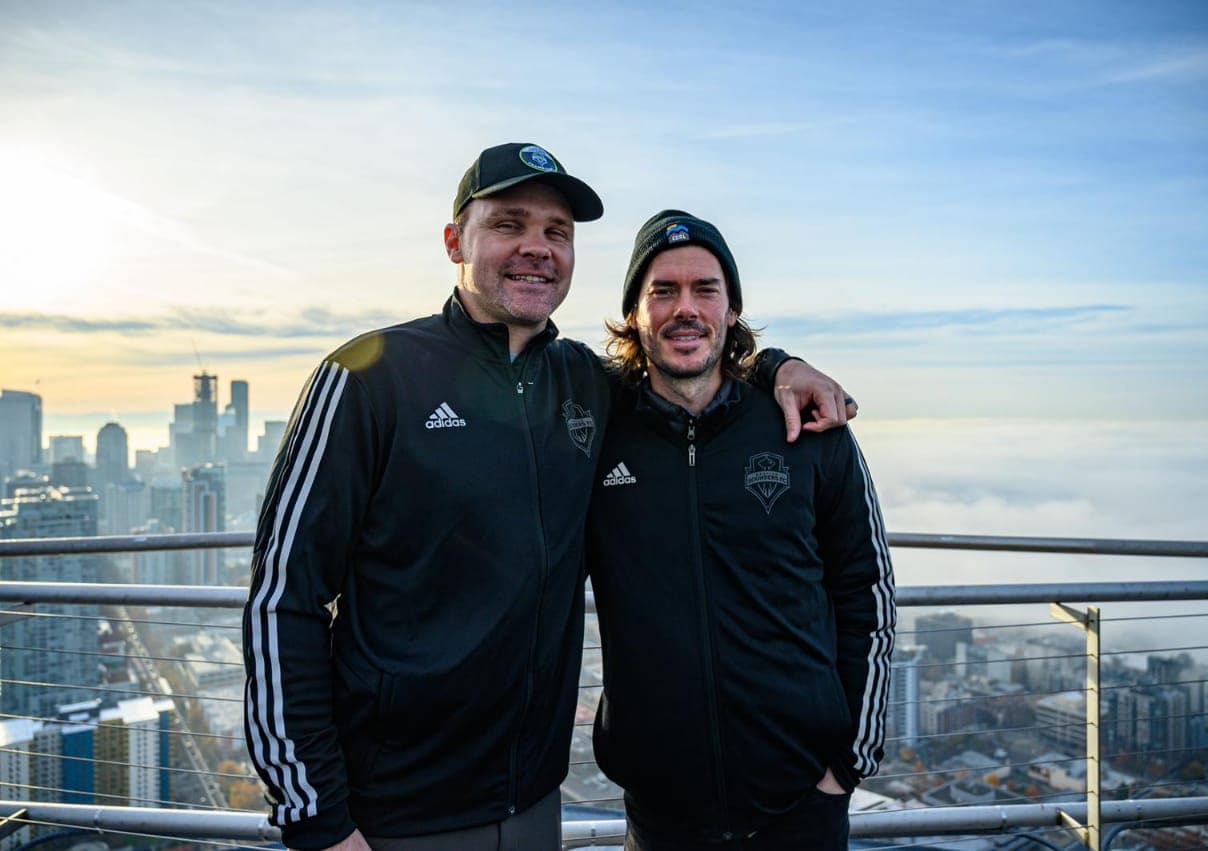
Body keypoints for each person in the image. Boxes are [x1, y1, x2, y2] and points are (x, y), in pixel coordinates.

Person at [242, 145, 858, 851]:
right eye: (509, 224)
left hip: (536, 802)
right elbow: (282, 599)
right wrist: (317, 817)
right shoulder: (369, 378)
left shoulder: (588, 385)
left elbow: (689, 360)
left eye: (556, 232)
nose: (537, 248)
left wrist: (780, 365)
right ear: (455, 241)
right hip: (392, 813)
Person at [588, 211, 896, 850]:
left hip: (802, 807)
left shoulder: (808, 427)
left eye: (705, 289)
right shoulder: (597, 436)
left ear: (732, 311)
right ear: (634, 314)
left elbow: (867, 592)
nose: (685, 308)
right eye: (663, 291)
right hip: (660, 814)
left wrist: (846, 767)